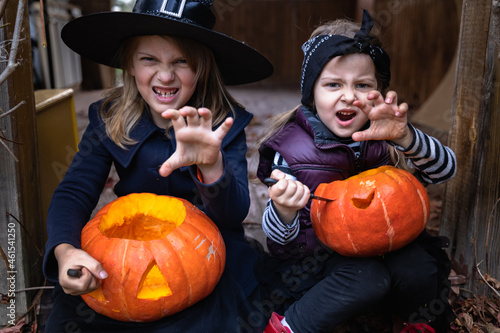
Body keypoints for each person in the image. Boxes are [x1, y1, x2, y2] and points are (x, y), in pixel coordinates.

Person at [42, 0, 273, 332]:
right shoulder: (108, 118)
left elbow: (233, 213)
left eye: (182, 61)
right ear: (130, 66)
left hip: (205, 252)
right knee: (74, 316)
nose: (165, 75)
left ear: (203, 68)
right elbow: (74, 191)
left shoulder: (222, 123)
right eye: (149, 59)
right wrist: (65, 251)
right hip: (127, 254)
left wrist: (211, 165)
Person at [256, 10, 456, 333]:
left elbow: (446, 168)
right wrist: (283, 211)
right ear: (311, 92)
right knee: (367, 279)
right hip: (319, 261)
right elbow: (277, 241)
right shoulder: (291, 149)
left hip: (385, 245)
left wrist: (406, 137)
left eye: (362, 85)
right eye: (333, 84)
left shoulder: (385, 138)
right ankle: (290, 325)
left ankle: (412, 322)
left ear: (377, 89)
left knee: (419, 267)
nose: (348, 96)